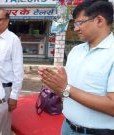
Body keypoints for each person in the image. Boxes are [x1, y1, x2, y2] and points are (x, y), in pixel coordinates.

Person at [39, 0, 114, 134]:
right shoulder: (76, 51)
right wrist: (55, 85)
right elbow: (66, 92)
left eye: (80, 23)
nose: (75, 28)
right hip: (67, 127)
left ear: (99, 20)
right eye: (74, 24)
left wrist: (65, 88)